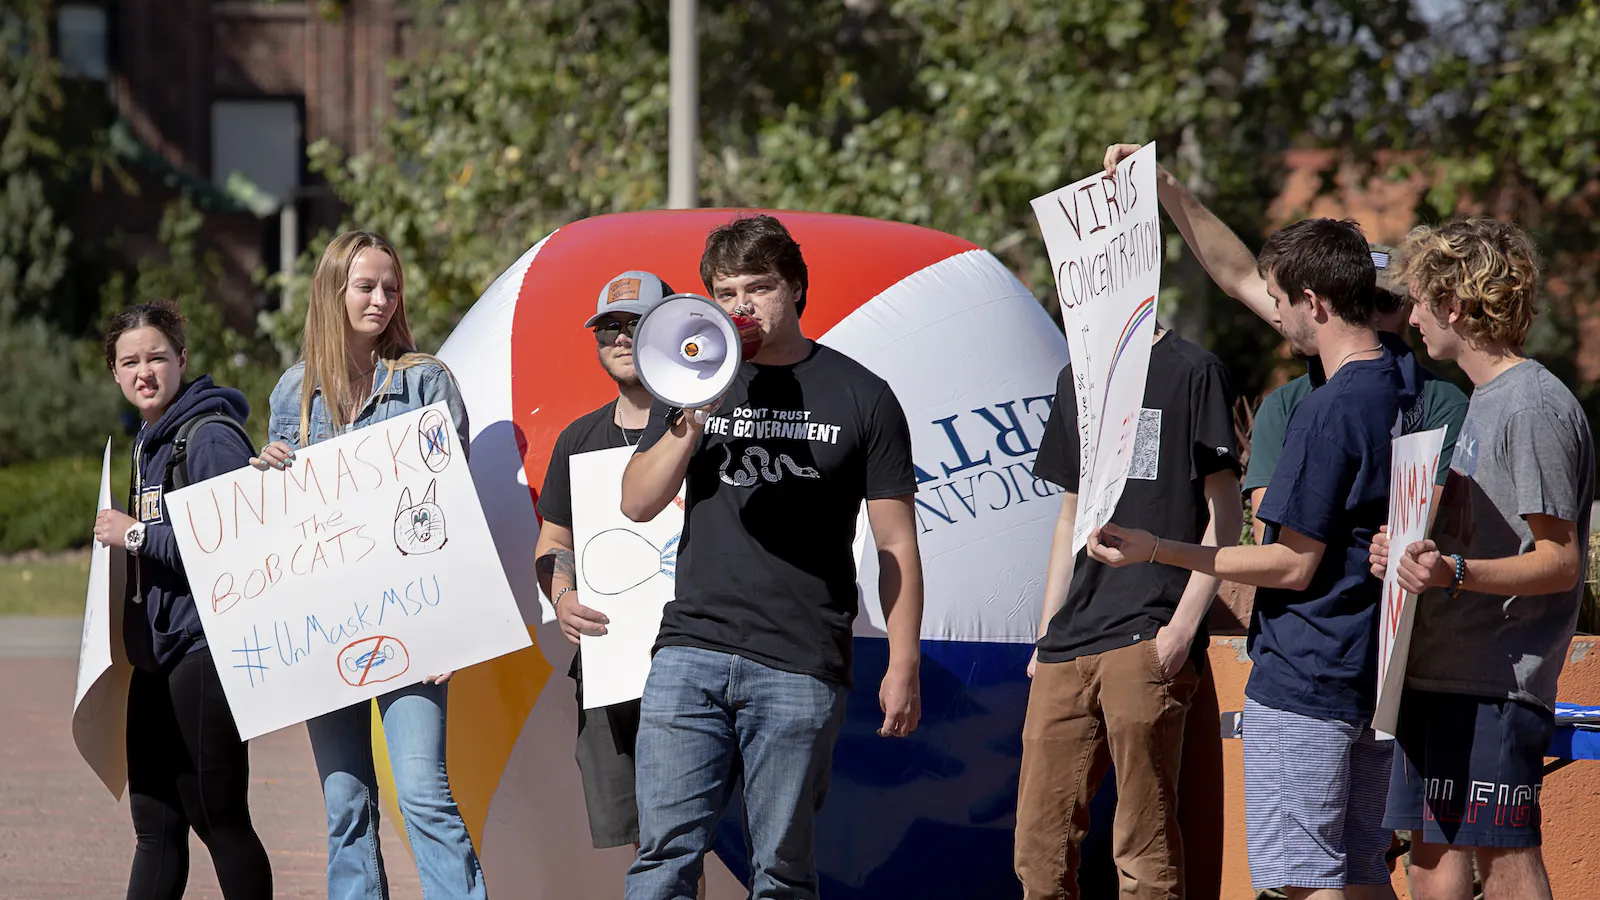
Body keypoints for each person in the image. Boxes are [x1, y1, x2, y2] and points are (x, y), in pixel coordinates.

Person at [1085, 217, 1407, 900]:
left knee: (1302, 883)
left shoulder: (1326, 411)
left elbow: (1291, 564)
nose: (1277, 317)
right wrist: (1168, 193)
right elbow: (1237, 280)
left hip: (1308, 676)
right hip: (1370, 671)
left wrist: (1161, 549)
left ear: (1315, 303)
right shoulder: (1400, 379)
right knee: (1361, 871)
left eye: (1282, 302)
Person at [618, 214, 925, 900]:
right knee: (662, 858)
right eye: (725, 292)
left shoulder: (861, 394)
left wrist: (903, 662)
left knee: (782, 874)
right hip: (691, 648)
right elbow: (636, 502)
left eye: (758, 288)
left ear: (796, 289)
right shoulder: (689, 378)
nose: (741, 306)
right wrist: (695, 416)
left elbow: (896, 542)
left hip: (800, 661)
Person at [250, 231, 484, 900]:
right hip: (325, 630)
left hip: (413, 625)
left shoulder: (424, 380)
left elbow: (456, 511)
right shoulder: (295, 393)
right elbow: (284, 527)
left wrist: (451, 628)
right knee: (346, 804)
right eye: (366, 286)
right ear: (332, 291)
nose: (382, 299)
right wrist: (265, 477)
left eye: (390, 286)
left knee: (423, 794)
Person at [1370, 218, 1593, 900]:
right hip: (1437, 675)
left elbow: (1560, 561)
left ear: (1455, 306)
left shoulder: (1532, 405)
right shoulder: (1481, 403)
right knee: (1431, 860)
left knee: (1504, 861)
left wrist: (1455, 574)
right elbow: (1465, 540)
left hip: (1495, 686)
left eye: (1417, 301)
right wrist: (1404, 551)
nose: (1410, 317)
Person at [1098, 144, 1468, 540]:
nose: (1371, 314)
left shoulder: (1438, 402)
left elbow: (1427, 536)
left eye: (1386, 301)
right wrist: (1164, 183)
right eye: (1359, 298)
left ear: (1412, 311)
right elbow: (1238, 276)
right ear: (1323, 303)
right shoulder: (1288, 403)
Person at [1014, 320, 1243, 900]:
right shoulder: (1077, 378)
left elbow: (1225, 511)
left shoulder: (1193, 368)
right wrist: (1047, 633)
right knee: (1038, 852)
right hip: (1070, 640)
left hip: (1149, 630)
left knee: (1144, 852)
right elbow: (1070, 513)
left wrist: (1182, 628)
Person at [93, 300, 273, 900]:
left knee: (218, 819)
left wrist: (135, 534)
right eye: (130, 361)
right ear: (115, 373)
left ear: (182, 360)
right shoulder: (146, 442)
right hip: (154, 659)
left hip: (204, 653)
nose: (144, 371)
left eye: (156, 357)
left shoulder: (210, 435)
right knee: (155, 825)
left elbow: (231, 546)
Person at [531, 270, 703, 899]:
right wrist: (563, 597)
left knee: (690, 835)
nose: (621, 337)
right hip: (615, 668)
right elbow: (552, 544)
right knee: (650, 845)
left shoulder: (707, 422)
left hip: (706, 663)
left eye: (638, 323)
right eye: (609, 326)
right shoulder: (578, 439)